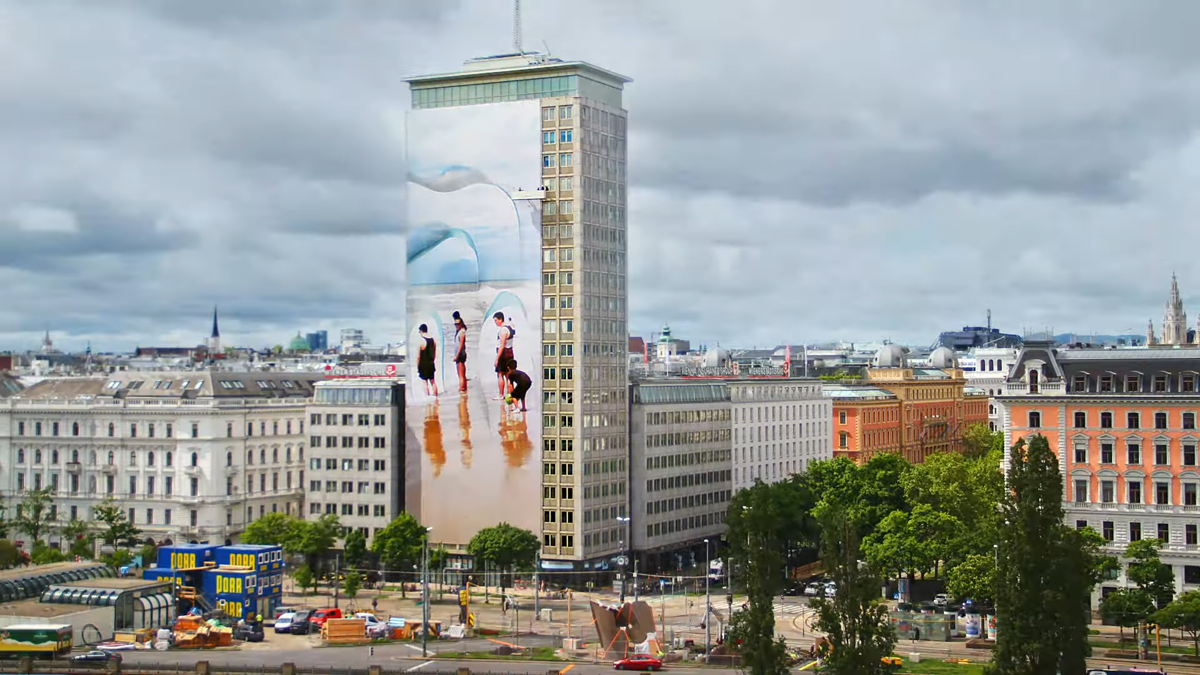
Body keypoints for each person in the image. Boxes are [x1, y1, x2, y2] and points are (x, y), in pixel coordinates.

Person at [492, 312, 515, 399]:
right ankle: (511, 394)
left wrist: (497, 359)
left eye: (496, 320)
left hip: (503, 354)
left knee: (500, 374)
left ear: (500, 319)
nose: (495, 322)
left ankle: (501, 395)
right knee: (509, 375)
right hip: (510, 352)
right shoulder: (510, 328)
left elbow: (502, 345)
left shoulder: (503, 331)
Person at [417, 324, 438, 397]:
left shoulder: (422, 341)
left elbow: (418, 357)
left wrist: (418, 366)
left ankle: (428, 398)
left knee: (425, 382)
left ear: (421, 331)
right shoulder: (433, 340)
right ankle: (436, 397)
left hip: (423, 365)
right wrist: (432, 362)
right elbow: (434, 354)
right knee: (433, 382)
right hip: (431, 363)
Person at [452, 312, 468, 393]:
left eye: (458, 324)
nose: (456, 325)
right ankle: (464, 387)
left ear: (461, 324)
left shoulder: (462, 332)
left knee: (461, 374)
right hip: (460, 353)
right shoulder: (459, 331)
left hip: (460, 354)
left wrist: (457, 355)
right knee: (461, 374)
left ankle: (462, 389)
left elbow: (461, 345)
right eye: (455, 324)